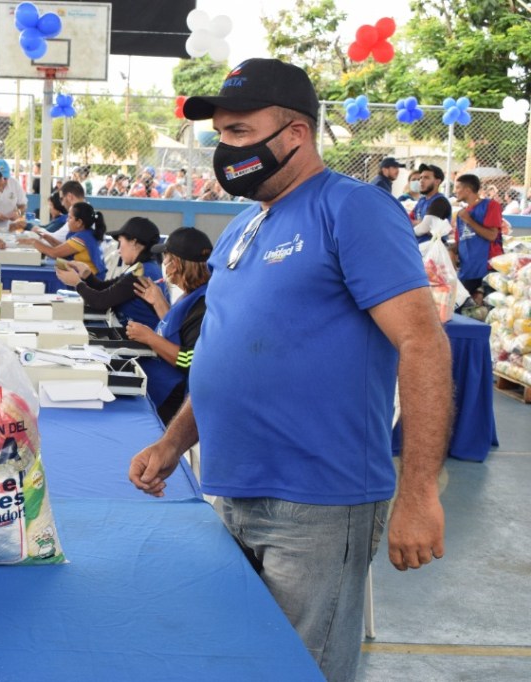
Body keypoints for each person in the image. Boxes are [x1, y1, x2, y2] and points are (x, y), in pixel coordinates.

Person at [131, 58, 452, 682]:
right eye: (220, 135)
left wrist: (418, 493)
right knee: (242, 664)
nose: (225, 150)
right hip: (233, 488)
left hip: (317, 502)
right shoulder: (243, 226)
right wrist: (173, 442)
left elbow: (423, 343)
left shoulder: (352, 209)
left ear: (296, 134)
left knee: (303, 670)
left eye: (240, 132)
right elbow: (222, 354)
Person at [125, 227, 211, 425]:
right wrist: (158, 302)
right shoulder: (193, 294)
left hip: (173, 399)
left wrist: (149, 338)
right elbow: (179, 330)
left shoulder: (204, 305)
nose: (163, 262)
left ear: (177, 264)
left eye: (166, 257)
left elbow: (190, 360)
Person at [54, 216, 165, 328]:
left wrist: (77, 283)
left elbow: (101, 301)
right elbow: (107, 289)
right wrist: (87, 275)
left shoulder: (141, 273)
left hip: (141, 336)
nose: (119, 250)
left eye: (120, 242)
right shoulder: (144, 267)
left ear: (134, 243)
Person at [18, 201, 107, 275]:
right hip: (85, 274)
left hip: (89, 279)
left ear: (79, 222)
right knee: (52, 265)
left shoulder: (81, 238)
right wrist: (47, 237)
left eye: (70, 217)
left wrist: (33, 241)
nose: (67, 220)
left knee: (44, 271)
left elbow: (54, 253)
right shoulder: (87, 233)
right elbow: (63, 248)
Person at [453, 173, 503, 296]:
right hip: (468, 270)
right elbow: (459, 242)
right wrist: (450, 251)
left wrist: (469, 220)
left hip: (488, 267)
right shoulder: (461, 214)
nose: (455, 191)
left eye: (458, 187)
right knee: (459, 303)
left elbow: (492, 235)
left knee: (489, 304)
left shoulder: (491, 205)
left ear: (468, 190)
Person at [410, 163, 451, 242]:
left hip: (432, 247)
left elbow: (424, 228)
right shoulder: (422, 200)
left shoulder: (440, 201)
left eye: (426, 178)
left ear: (437, 182)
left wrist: (408, 232)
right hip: (417, 245)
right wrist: (420, 223)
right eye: (421, 177)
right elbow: (407, 219)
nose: (421, 181)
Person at [0, 159, 27, 231]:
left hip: (9, 226)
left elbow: (23, 205)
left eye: (5, 178)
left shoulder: (14, 183)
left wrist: (18, 213)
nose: (3, 181)